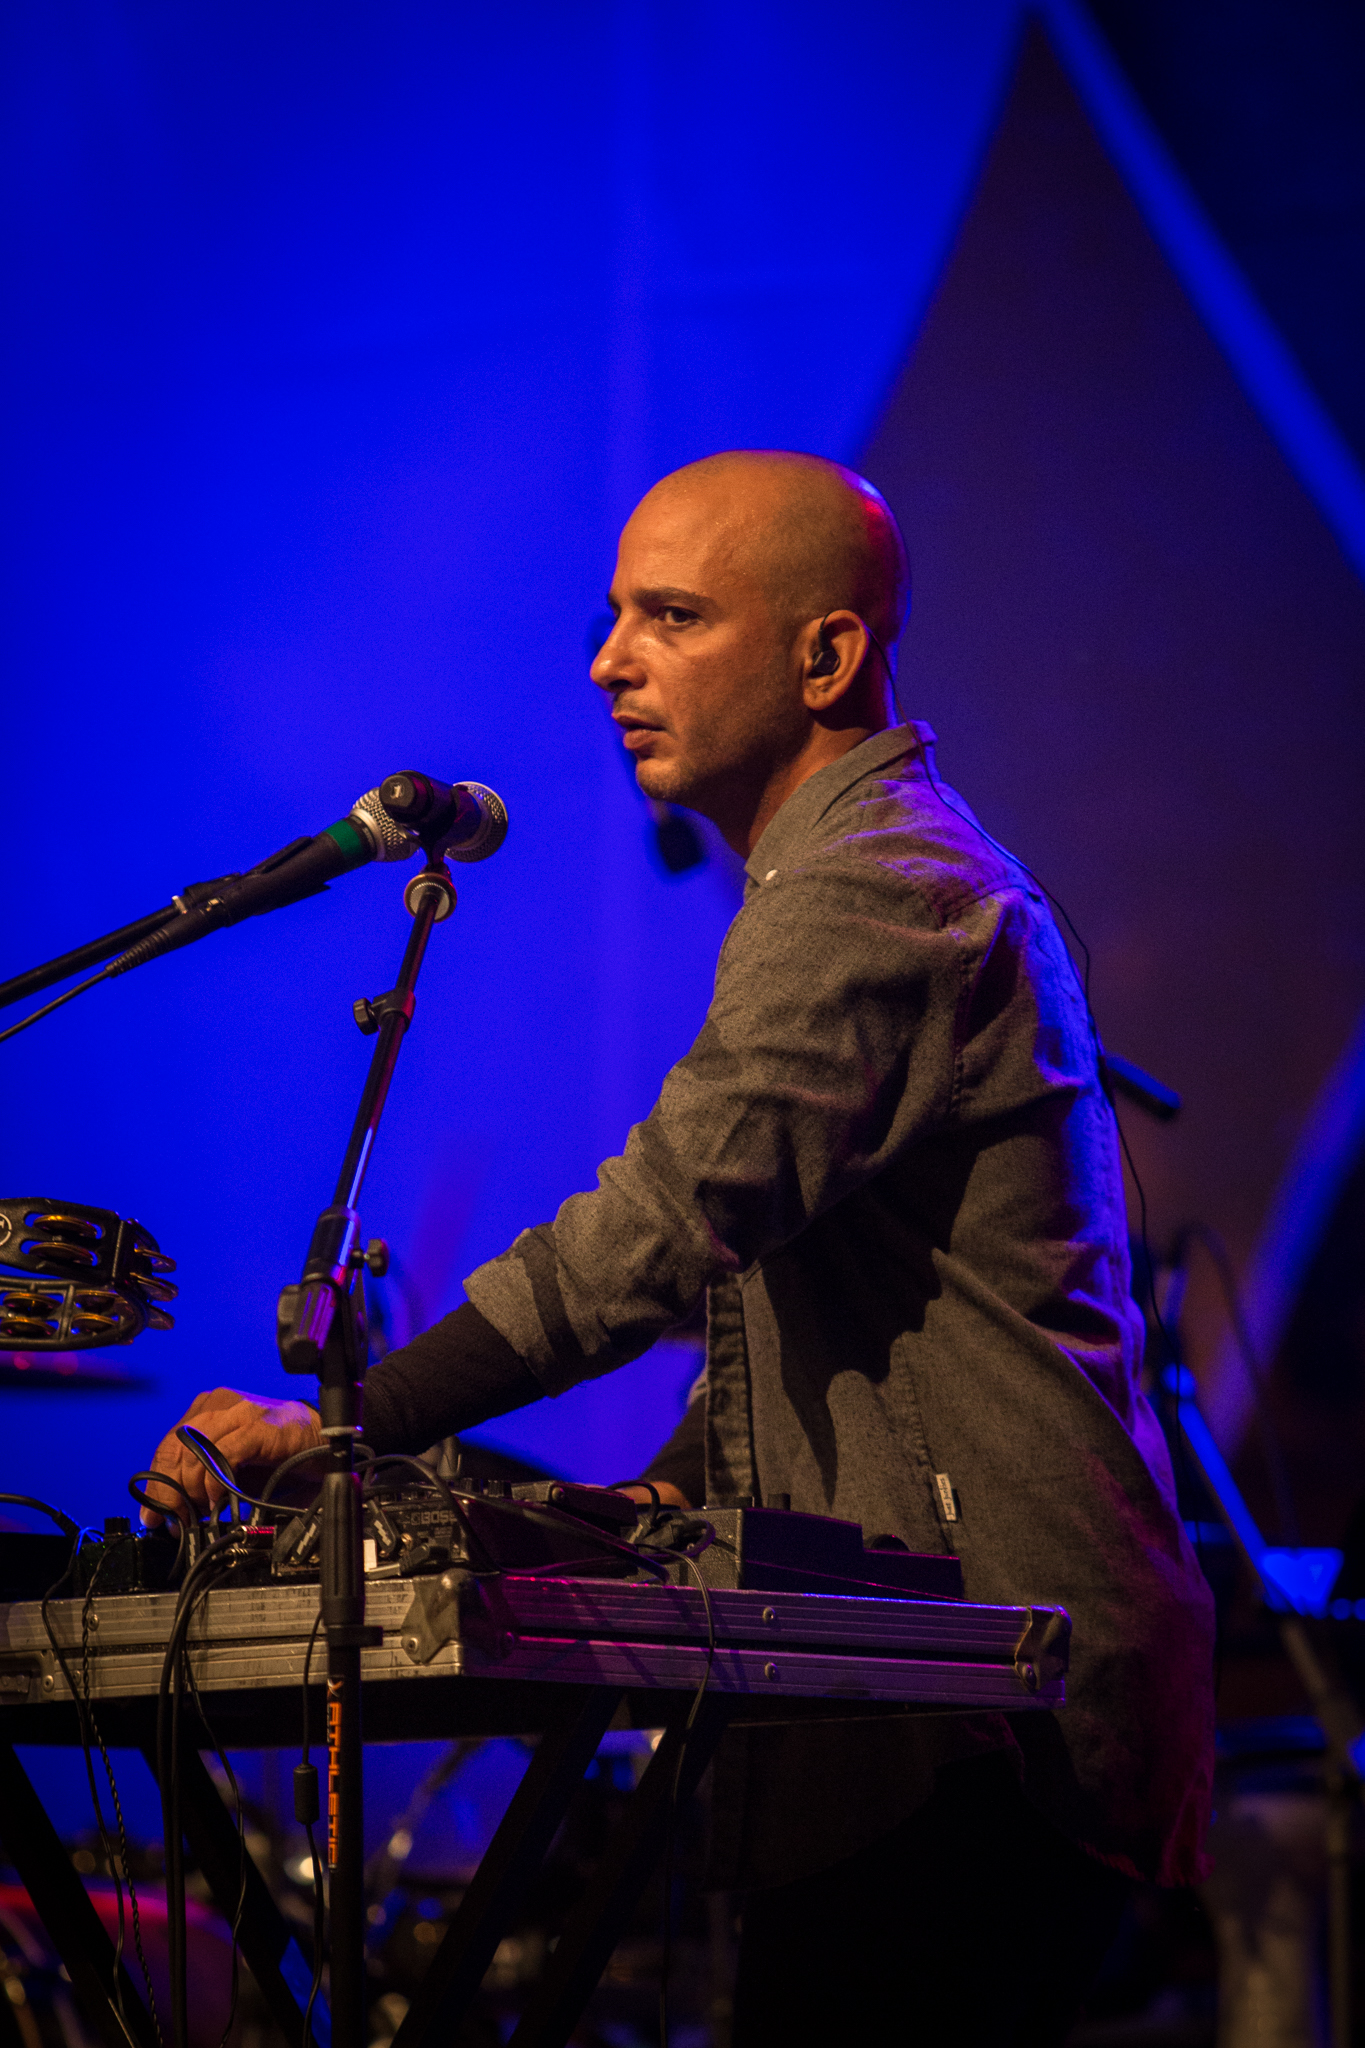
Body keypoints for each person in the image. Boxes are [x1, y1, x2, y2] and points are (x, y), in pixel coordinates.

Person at [145, 451, 1215, 2043]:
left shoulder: (878, 890)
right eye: (612, 616)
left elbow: (662, 1224)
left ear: (825, 657)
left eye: (672, 617)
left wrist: (357, 1420)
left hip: (990, 1703)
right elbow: (820, 1342)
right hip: (944, 1686)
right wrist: (613, 1502)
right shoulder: (839, 880)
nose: (607, 662)